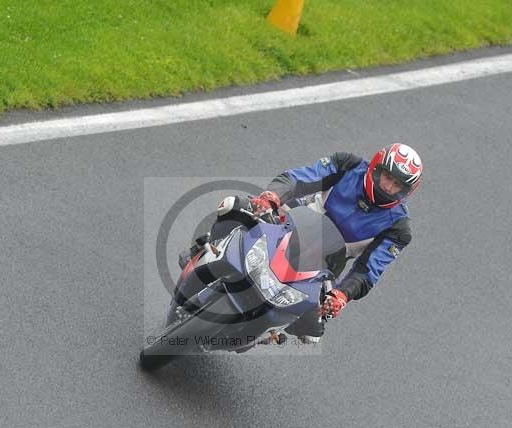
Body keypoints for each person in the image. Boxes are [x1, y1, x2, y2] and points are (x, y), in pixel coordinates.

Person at [181, 143, 423, 343]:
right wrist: (272, 197)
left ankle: (260, 333)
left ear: (406, 191)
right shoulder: (347, 164)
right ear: (375, 168)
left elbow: (369, 271)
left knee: (313, 330)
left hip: (328, 261)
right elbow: (300, 178)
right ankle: (204, 248)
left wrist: (341, 295)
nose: (388, 187)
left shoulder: (399, 229)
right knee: (236, 206)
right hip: (300, 217)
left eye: (397, 185)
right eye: (386, 177)